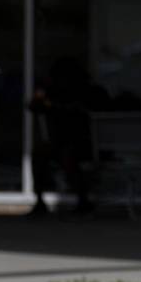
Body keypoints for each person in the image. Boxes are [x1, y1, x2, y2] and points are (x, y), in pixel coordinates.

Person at [27, 57, 110, 216]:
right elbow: (34, 106)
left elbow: (94, 111)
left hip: (90, 144)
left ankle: (83, 200)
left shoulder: (92, 92)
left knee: (68, 154)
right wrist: (41, 95)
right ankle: (39, 200)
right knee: (39, 153)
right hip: (60, 143)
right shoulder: (54, 93)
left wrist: (62, 107)